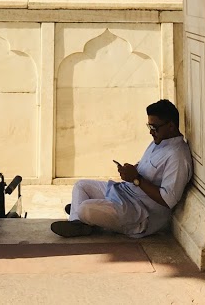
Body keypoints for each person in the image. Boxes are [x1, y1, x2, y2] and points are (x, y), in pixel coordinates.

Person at [50, 99, 192, 238]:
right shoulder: (159, 142)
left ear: (171, 126)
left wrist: (136, 179)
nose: (151, 132)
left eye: (154, 128)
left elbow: (168, 200)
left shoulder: (178, 156)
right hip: (124, 192)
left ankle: (82, 215)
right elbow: (145, 166)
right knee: (81, 186)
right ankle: (78, 221)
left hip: (139, 212)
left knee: (84, 208)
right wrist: (130, 170)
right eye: (149, 127)